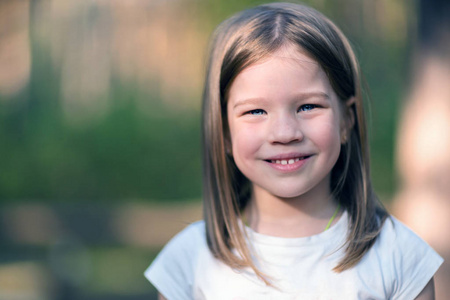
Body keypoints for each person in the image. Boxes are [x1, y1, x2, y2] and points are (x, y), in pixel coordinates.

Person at [145, 3, 443, 299]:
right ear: (223, 131)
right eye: (256, 111)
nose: (285, 133)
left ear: (347, 119)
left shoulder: (400, 258)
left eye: (308, 106)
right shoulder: (188, 263)